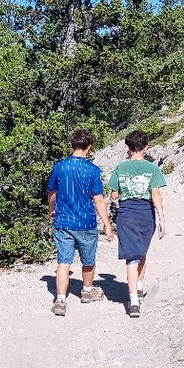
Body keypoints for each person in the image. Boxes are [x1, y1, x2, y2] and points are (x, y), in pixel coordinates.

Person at [46, 129, 114, 316]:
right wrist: (107, 225)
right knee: (88, 261)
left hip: (63, 221)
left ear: (72, 144)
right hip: (86, 222)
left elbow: (52, 192)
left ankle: (60, 300)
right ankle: (86, 291)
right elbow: (98, 199)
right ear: (89, 147)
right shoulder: (93, 170)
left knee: (63, 262)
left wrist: (51, 209)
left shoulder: (60, 167)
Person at [108, 130, 167, 318]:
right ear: (146, 147)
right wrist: (162, 218)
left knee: (131, 258)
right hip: (146, 213)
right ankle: (139, 287)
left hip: (126, 213)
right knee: (141, 251)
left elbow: (113, 194)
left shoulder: (120, 167)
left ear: (127, 147)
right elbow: (155, 194)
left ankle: (133, 302)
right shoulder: (152, 169)